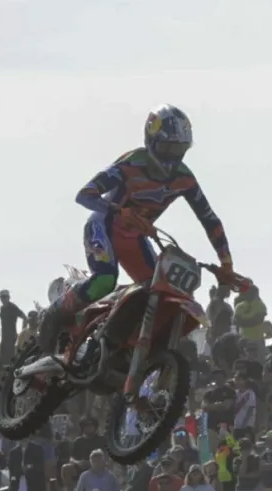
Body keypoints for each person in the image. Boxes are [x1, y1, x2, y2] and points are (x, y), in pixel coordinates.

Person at [37, 104, 237, 354]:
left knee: (159, 292)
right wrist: (119, 211)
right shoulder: (132, 163)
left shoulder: (184, 178)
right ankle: (55, 313)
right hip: (104, 226)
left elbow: (209, 219)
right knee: (105, 281)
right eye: (167, 149)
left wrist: (226, 264)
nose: (172, 157)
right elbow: (85, 195)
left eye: (178, 150)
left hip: (135, 237)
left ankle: (118, 345)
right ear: (152, 141)